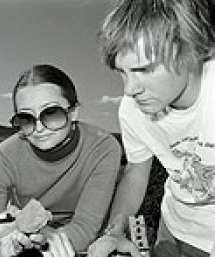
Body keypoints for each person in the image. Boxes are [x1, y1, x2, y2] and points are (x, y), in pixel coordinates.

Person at [88, 0, 215, 256]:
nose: (129, 89)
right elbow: (136, 172)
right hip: (173, 228)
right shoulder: (132, 109)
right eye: (122, 72)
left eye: (143, 69)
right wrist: (114, 233)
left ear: (192, 50)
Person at [0, 64, 122, 257]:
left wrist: (49, 240)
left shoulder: (102, 148)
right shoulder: (3, 157)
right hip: (24, 238)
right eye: (26, 118)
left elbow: (86, 226)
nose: (39, 128)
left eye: (51, 113)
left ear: (73, 112)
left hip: (83, 245)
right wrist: (28, 238)